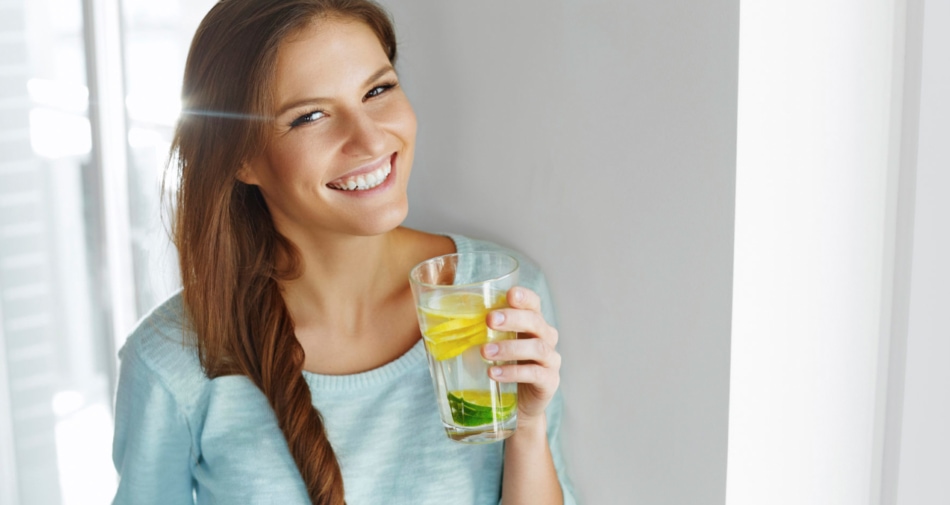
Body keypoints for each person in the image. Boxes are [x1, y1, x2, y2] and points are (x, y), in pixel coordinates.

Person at [111, 1, 575, 503]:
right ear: (241, 158)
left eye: (378, 90)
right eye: (310, 116)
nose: (371, 138)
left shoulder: (496, 295)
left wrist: (526, 426)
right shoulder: (173, 361)